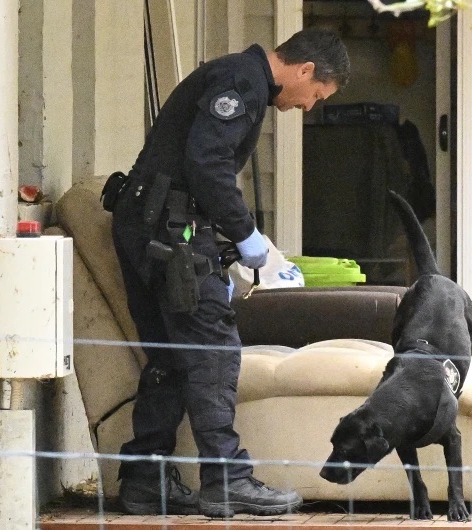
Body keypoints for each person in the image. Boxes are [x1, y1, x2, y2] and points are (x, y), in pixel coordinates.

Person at [106, 28, 350, 517]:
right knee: (213, 348)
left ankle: (144, 479)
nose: (308, 108)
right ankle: (227, 479)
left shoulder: (238, 78)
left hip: (146, 225)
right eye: (316, 96)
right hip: (171, 233)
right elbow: (207, 162)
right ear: (305, 71)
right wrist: (245, 233)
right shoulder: (241, 81)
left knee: (172, 355)